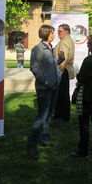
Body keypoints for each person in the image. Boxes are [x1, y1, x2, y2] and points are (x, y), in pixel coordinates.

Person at [26, 25, 60, 160]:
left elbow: (51, 66)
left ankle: (44, 139)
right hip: (44, 88)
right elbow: (34, 68)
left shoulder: (51, 47)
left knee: (48, 116)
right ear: (46, 34)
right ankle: (31, 147)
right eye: (52, 33)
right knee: (41, 118)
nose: (54, 35)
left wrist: (60, 62)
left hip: (54, 87)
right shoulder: (37, 49)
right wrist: (46, 81)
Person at [53, 24, 75, 122]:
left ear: (66, 32)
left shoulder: (64, 42)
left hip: (62, 71)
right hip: (64, 71)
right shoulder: (68, 40)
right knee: (63, 94)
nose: (58, 33)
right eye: (58, 31)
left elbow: (63, 59)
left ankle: (62, 116)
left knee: (62, 95)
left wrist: (58, 71)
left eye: (60, 31)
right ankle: (61, 115)